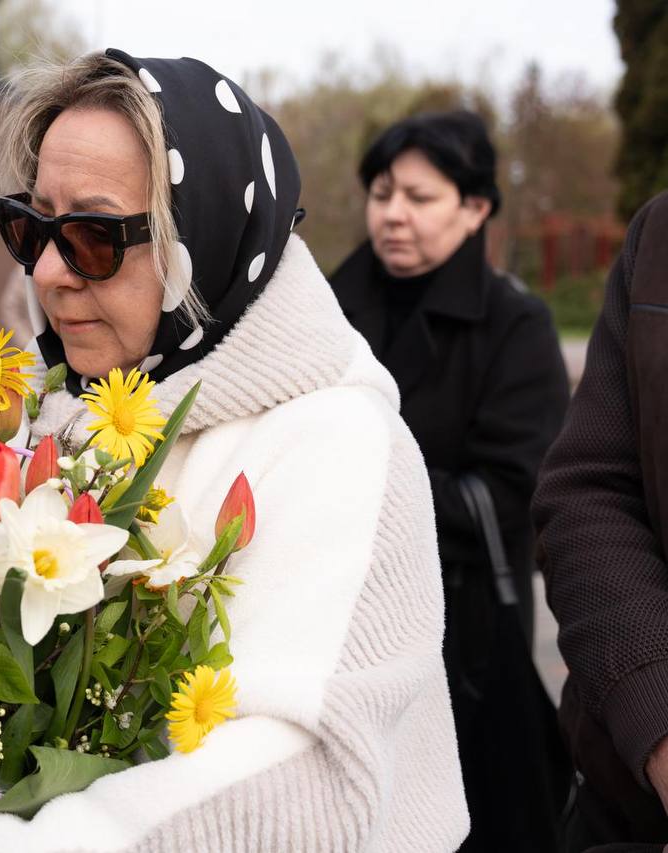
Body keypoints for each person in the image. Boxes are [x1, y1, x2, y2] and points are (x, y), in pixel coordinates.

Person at [0, 49, 467, 852]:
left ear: (207, 235)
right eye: (30, 225)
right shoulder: (40, 414)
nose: (48, 272)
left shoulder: (339, 447)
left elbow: (300, 780)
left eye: (94, 235)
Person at [328, 111, 571, 852]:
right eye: (381, 193)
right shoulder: (327, 310)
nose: (393, 213)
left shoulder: (515, 326)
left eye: (420, 196)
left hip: (463, 643)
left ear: (475, 208)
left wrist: (361, 474)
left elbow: (516, 496)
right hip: (335, 628)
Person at [534, 191, 668, 852]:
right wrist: (657, 719)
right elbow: (589, 493)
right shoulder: (659, 237)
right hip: (629, 800)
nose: (396, 214)